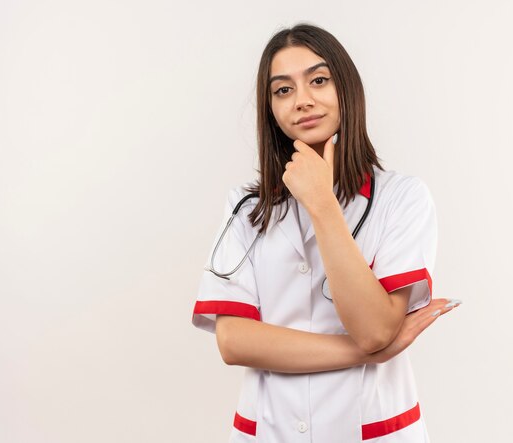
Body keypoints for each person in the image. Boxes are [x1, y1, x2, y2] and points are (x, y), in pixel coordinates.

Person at [191, 23, 460, 442]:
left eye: (318, 80)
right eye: (283, 90)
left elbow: (372, 327)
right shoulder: (246, 208)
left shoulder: (402, 198)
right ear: (271, 110)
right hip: (270, 429)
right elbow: (233, 341)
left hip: (373, 429)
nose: (303, 101)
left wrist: (322, 204)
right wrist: (368, 352)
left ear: (346, 89)